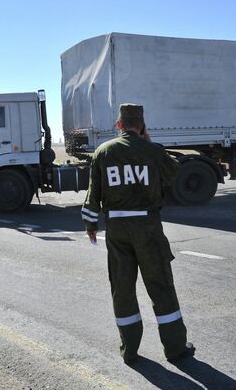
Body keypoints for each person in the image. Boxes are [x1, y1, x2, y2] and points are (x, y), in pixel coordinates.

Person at [82, 103, 194, 364]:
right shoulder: (152, 151)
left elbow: (93, 193)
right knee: (160, 286)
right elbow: (173, 173)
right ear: (141, 125)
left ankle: (130, 349)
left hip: (117, 231)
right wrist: (149, 143)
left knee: (122, 287)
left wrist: (90, 225)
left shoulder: (103, 152)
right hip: (148, 229)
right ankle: (175, 349)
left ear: (119, 125)